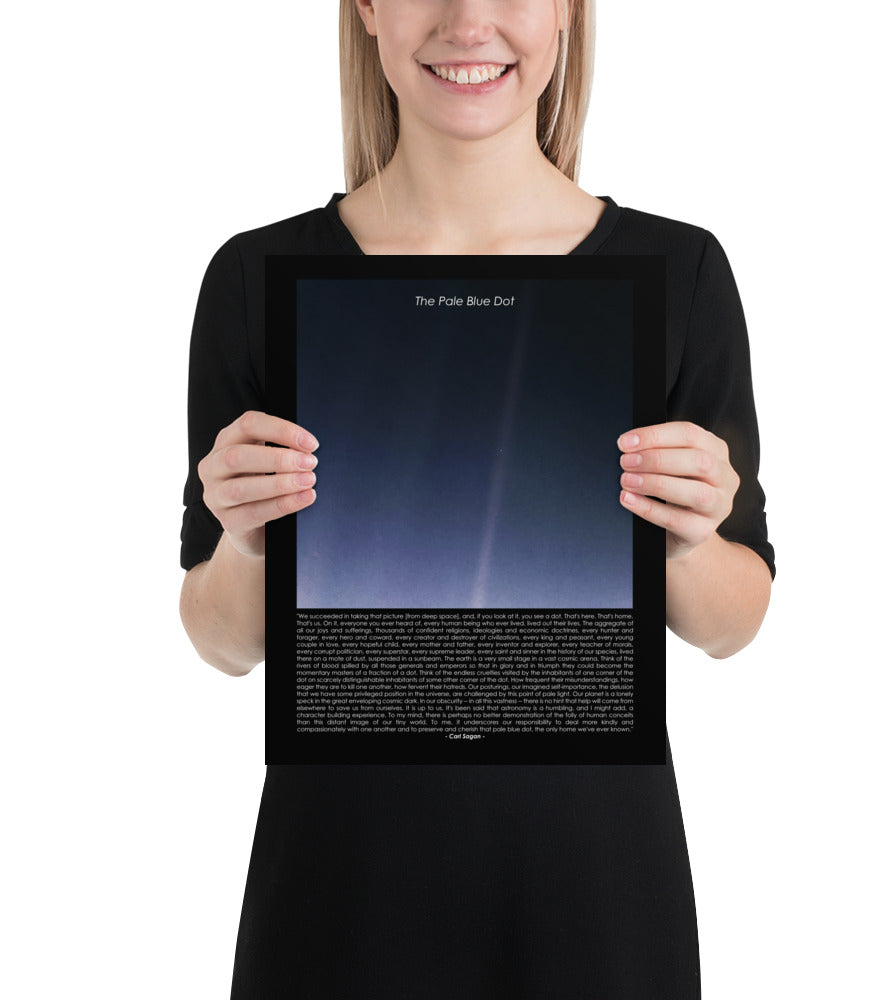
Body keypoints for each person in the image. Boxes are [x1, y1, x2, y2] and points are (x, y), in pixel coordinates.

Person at [179, 1, 775, 996]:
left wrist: (688, 540)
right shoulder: (256, 279)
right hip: (339, 902)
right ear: (367, 9)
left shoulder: (680, 274)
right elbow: (221, 640)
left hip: (595, 906)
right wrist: (244, 545)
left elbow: (734, 621)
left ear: (567, 14)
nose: (468, 20)